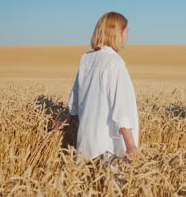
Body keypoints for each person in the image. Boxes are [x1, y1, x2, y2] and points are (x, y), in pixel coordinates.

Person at [55, 12, 139, 161]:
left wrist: (68, 120)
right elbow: (121, 108)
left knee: (88, 182)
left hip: (87, 141)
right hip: (109, 145)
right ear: (119, 33)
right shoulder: (115, 62)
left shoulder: (87, 58)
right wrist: (131, 145)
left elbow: (75, 96)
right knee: (109, 184)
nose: (128, 36)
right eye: (127, 31)